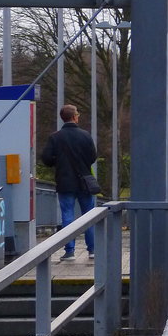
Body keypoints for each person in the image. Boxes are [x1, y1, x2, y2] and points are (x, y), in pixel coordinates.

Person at [41, 104, 99, 261]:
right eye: (77, 114)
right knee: (89, 215)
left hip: (65, 181)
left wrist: (58, 161)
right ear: (74, 117)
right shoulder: (85, 135)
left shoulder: (55, 137)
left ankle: (70, 251)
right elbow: (93, 156)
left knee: (67, 215)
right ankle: (93, 250)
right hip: (84, 182)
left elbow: (46, 158)